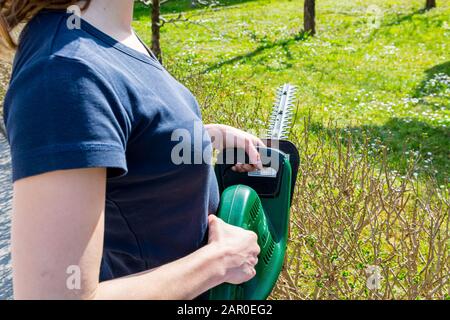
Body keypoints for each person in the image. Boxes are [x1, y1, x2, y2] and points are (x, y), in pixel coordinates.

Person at [0, 0, 263, 299]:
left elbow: (129, 142)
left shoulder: (110, 35)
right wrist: (220, 262)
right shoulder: (64, 71)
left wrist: (203, 138)